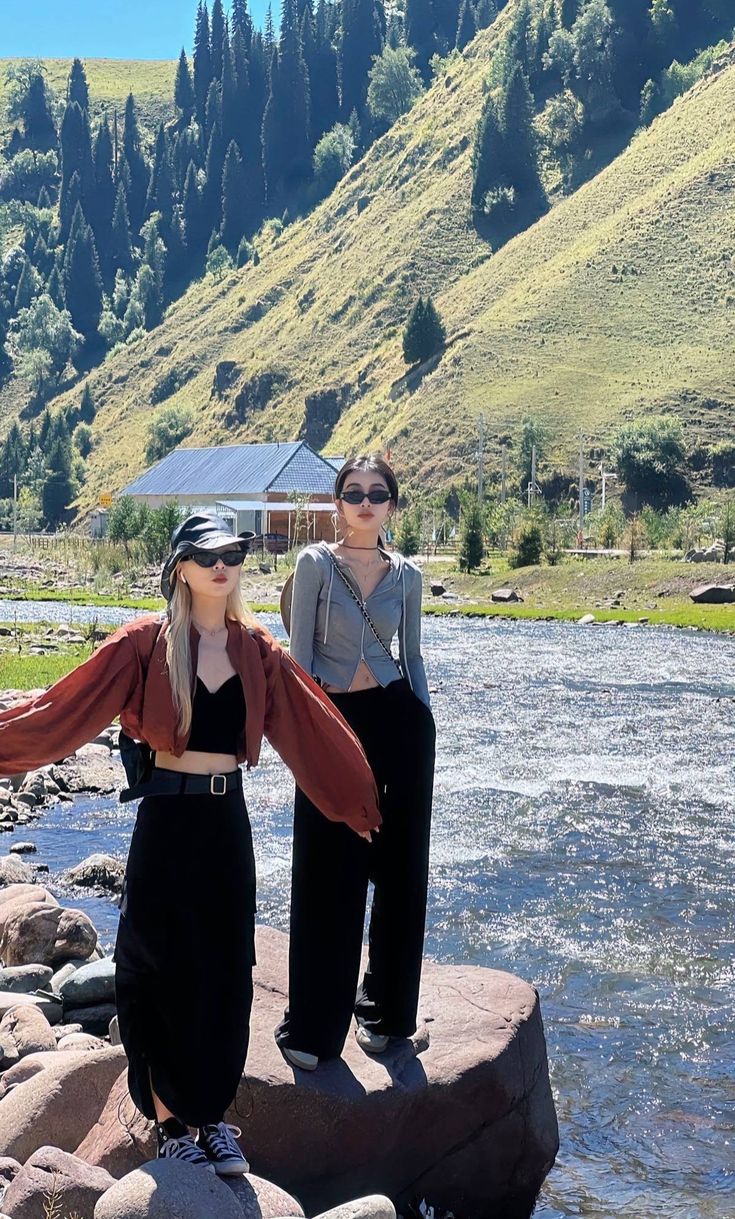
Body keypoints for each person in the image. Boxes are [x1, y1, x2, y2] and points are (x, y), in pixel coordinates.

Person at [0, 513, 381, 1172]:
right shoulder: (145, 643)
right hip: (165, 822)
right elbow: (65, 708)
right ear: (180, 565)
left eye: (233, 551)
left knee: (225, 970)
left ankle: (210, 1115)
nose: (222, 563)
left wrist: (359, 801)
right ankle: (170, 1122)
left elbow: (312, 729)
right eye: (207, 554)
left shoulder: (254, 648)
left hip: (224, 824)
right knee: (154, 966)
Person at [275, 456, 436, 1070]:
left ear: (393, 504)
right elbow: (301, 656)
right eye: (353, 493)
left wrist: (423, 721)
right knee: (326, 866)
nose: (365, 502)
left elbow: (413, 657)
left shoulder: (408, 575)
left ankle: (386, 1015)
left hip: (399, 720)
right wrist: (308, 732)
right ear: (337, 503)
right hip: (333, 720)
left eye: (377, 493)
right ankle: (313, 1028)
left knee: (400, 868)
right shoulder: (315, 563)